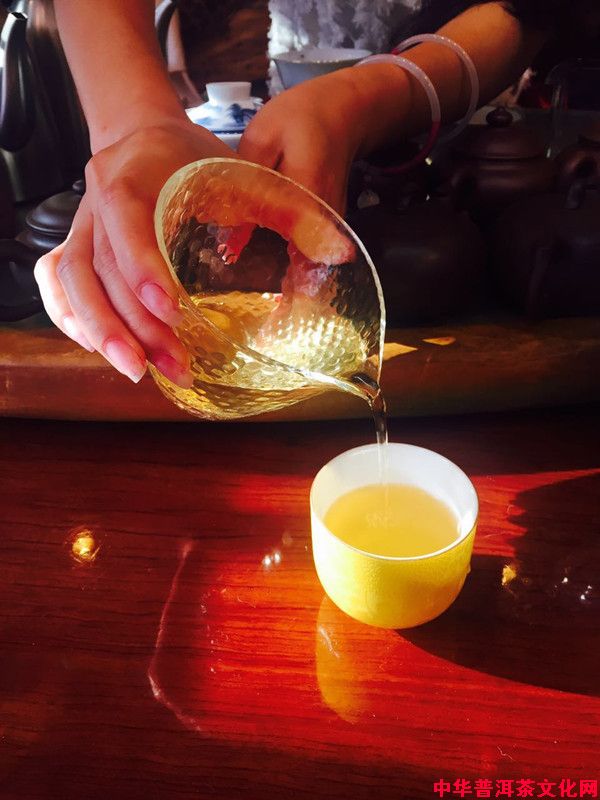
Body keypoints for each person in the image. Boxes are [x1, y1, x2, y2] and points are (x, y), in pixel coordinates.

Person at [32, 0, 596, 387]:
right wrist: (135, 123)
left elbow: (531, 11)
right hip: (289, 118)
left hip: (456, 136)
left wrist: (368, 94)